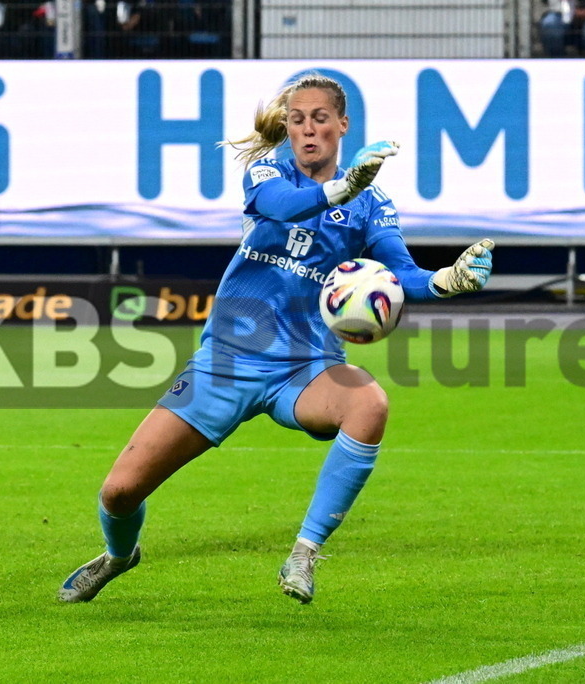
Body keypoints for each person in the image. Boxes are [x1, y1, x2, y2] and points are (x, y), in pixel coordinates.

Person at [57, 73, 495, 605]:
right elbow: (285, 206)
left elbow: (400, 272)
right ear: (286, 126)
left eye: (320, 119)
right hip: (223, 365)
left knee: (369, 404)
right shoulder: (267, 171)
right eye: (297, 119)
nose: (308, 130)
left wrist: (447, 280)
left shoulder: (372, 204)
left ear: (342, 125)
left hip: (304, 368)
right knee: (120, 492)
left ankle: (305, 552)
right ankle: (119, 556)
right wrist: (343, 186)